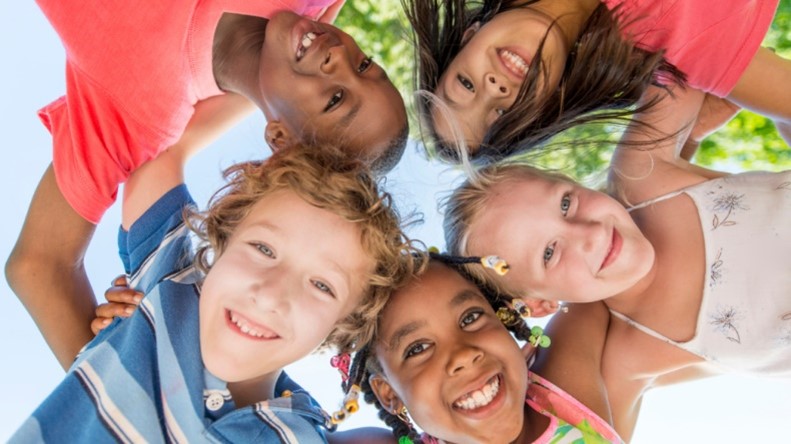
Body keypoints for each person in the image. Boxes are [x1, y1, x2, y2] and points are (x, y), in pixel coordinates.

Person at [6, 0, 409, 367]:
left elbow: (38, 266)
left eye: (335, 100)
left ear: (281, 141)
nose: (339, 55)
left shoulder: (136, 114)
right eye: (366, 66)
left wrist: (118, 382)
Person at [10, 137, 420, 442]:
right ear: (221, 241)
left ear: (342, 327)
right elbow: (158, 135)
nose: (270, 293)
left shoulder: (309, 435)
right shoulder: (170, 283)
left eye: (321, 285)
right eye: (263, 248)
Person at [442, 87, 791, 440]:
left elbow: (692, 55)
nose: (589, 233)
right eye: (549, 253)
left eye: (566, 204)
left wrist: (760, 98)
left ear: (572, 182)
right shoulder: (633, 356)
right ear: (539, 304)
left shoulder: (643, 177)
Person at [402, 0, 789, 162]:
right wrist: (691, 133)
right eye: (502, 114)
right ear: (546, 105)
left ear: (469, 35)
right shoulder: (675, 42)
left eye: (465, 85)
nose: (495, 88)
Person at [328, 255, 620, 443]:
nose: (463, 355)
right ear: (389, 394)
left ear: (505, 321)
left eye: (470, 318)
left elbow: (602, 281)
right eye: (418, 348)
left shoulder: (562, 391)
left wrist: (531, 287)